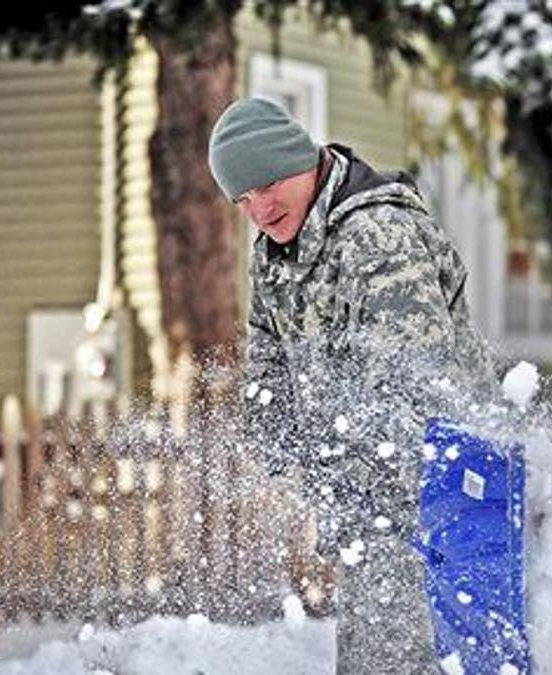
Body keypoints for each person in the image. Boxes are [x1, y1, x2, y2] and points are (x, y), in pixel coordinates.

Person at [208, 97, 493, 673]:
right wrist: (280, 446)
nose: (258, 208)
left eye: (265, 184)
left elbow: (417, 393)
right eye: (241, 198)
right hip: (368, 515)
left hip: (435, 513)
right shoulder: (278, 255)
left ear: (301, 160)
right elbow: (268, 371)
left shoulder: (377, 235)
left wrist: (353, 483)